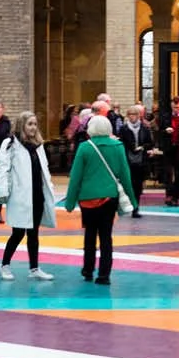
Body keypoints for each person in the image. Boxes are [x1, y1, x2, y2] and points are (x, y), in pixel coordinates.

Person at [63, 115, 135, 284]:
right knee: (106, 237)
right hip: (109, 197)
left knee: (89, 235)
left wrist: (70, 201)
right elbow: (125, 174)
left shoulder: (84, 147)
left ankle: (88, 270)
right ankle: (104, 275)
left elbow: (76, 177)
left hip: (87, 199)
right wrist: (132, 199)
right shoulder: (118, 146)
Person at [0, 111, 58, 281]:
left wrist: (50, 188)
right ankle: (5, 265)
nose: (33, 128)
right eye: (30, 124)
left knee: (34, 233)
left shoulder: (38, 145)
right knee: (18, 233)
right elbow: (3, 168)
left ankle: (34, 268)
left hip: (37, 195)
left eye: (35, 124)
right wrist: (2, 190)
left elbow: (44, 170)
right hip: (20, 196)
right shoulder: (10, 144)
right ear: (22, 125)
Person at [117, 104, 153, 219]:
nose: (132, 117)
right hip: (128, 159)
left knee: (138, 186)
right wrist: (130, 148)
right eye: (130, 114)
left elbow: (150, 143)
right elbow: (120, 144)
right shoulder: (123, 129)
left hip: (141, 160)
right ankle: (128, 206)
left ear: (138, 116)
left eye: (134, 114)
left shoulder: (144, 128)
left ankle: (135, 208)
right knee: (129, 185)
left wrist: (143, 147)